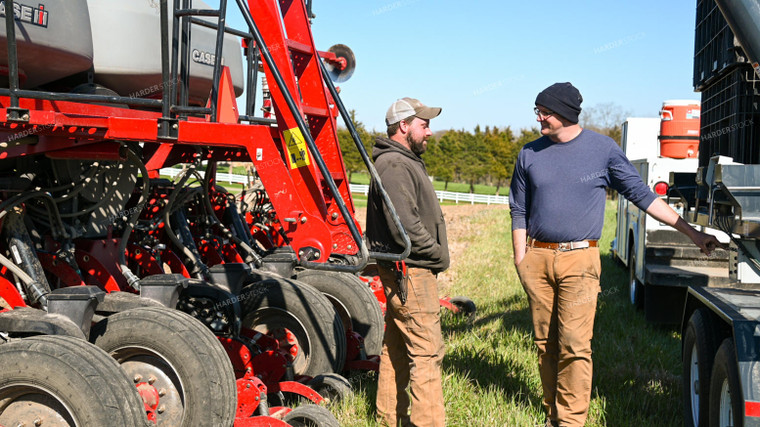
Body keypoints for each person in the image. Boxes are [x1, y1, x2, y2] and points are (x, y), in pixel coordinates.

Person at [509, 82, 721, 427]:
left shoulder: (602, 150)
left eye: (543, 112)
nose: (539, 119)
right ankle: (553, 413)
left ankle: (571, 421)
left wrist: (692, 233)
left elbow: (643, 196)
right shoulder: (529, 154)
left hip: (580, 260)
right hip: (537, 260)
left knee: (575, 344)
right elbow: (518, 209)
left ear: (564, 113)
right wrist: (522, 259)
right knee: (545, 343)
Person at [366, 97, 448, 427]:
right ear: (404, 126)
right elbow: (405, 227)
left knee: (397, 348)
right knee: (427, 353)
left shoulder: (400, 160)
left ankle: (390, 419)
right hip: (411, 271)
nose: (429, 132)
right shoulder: (396, 165)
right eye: (423, 125)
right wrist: (438, 254)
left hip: (405, 271)